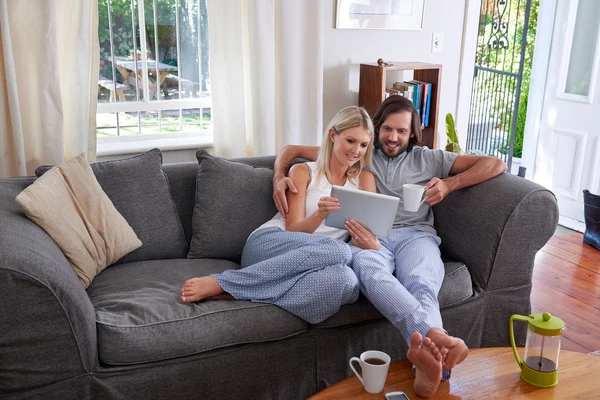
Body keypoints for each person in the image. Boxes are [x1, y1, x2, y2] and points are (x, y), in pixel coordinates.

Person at [272, 95, 507, 397]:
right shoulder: (361, 153)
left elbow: (495, 163)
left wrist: (450, 184)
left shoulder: (429, 158)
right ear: (377, 128)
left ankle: (427, 360)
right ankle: (437, 344)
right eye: (387, 129)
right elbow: (290, 151)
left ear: (412, 133)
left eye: (401, 131)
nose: (393, 137)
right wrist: (279, 175)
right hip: (372, 238)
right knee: (371, 274)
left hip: (417, 235)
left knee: (422, 284)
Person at [181, 106, 382, 325]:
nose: (356, 151)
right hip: (270, 245)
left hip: (315, 262)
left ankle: (245, 292)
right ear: (333, 135)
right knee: (340, 252)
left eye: (363, 144)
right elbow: (293, 228)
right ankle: (224, 283)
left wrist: (369, 242)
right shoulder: (304, 172)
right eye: (350, 141)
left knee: (347, 282)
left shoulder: (365, 180)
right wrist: (319, 214)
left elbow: (360, 236)